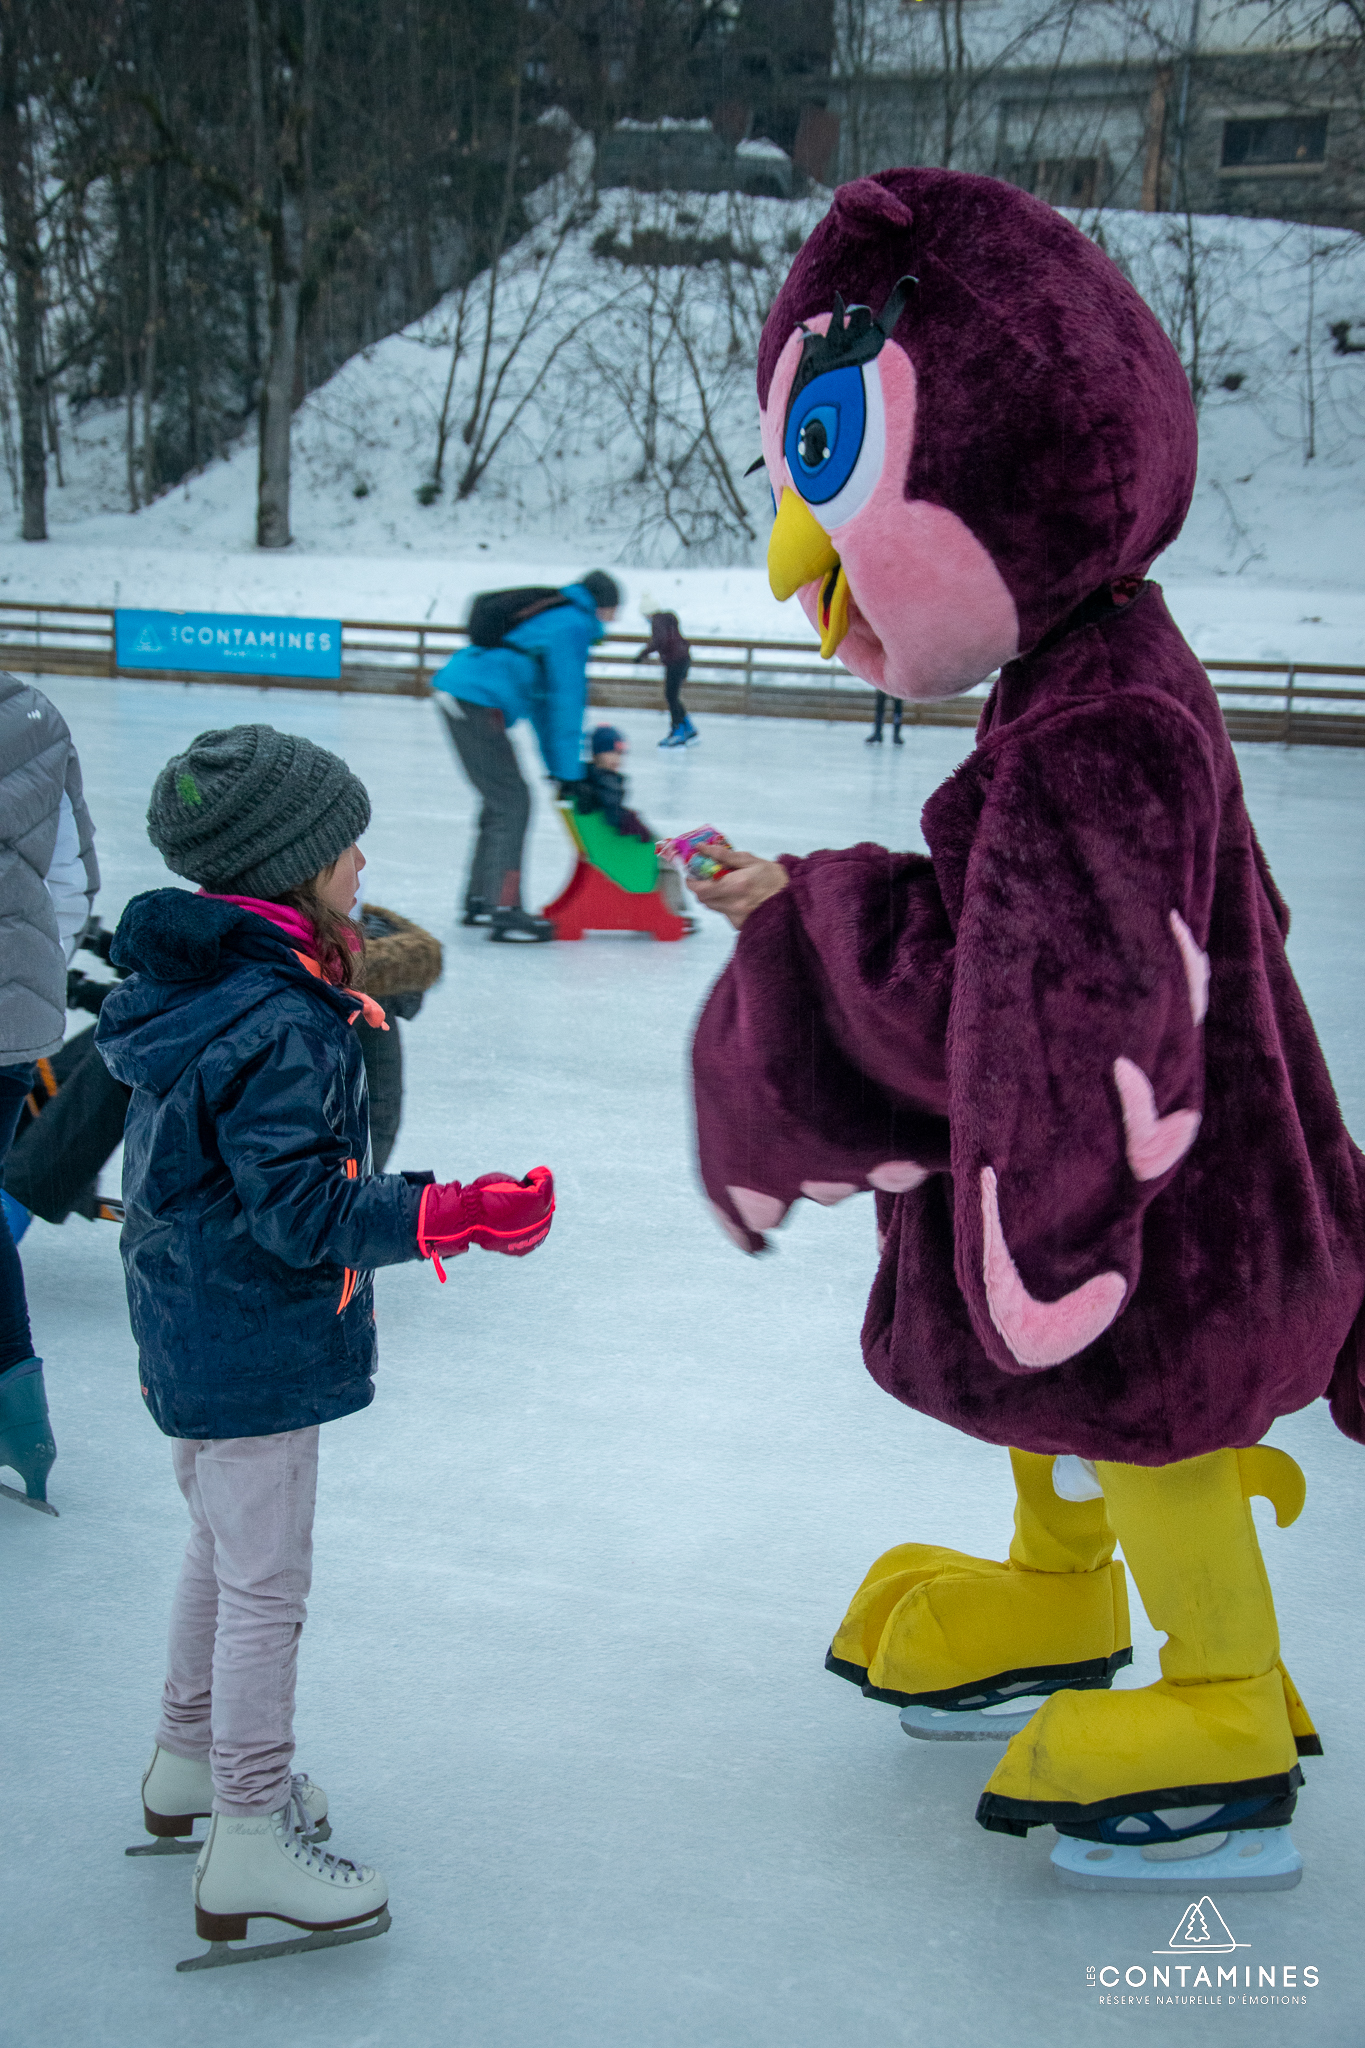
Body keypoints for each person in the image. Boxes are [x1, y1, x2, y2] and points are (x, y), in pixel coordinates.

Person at [687, 170, 1365, 1891]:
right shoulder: (1085, 666)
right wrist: (820, 900)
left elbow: (1064, 1010)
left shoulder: (1099, 716)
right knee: (1077, 1394)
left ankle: (1223, 1689)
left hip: (1168, 1204)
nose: (797, 560)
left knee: (1135, 1386)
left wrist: (806, 929)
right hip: (1192, 1149)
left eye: (830, 475)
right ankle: (1059, 1591)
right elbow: (1033, 943)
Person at [96, 724, 555, 1960]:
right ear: (286, 862)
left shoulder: (206, 985)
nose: (362, 858)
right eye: (343, 840)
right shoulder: (282, 1015)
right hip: (248, 1328)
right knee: (266, 1584)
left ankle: (189, 1761)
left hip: (191, 1316)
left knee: (219, 1547)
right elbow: (301, 1210)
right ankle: (247, 1827)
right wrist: (453, 1211)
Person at [0, 676, 98, 1513]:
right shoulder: (31, 714)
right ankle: (20, 1426)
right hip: (14, 1012)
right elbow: (71, 880)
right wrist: (33, 979)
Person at [433, 572, 621, 941]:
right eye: (614, 611)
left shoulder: (556, 616)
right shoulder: (573, 625)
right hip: (475, 699)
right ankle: (505, 909)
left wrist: (562, 771)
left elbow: (543, 707)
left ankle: (482, 900)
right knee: (513, 802)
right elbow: (565, 701)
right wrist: (568, 774)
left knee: (502, 800)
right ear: (604, 606)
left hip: (464, 693)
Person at [575, 726, 693, 925]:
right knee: (666, 862)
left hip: (605, 844)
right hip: (615, 850)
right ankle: (673, 913)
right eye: (610, 752)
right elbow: (613, 815)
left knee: (662, 851)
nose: (616, 758)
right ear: (596, 753)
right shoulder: (605, 781)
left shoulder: (593, 777)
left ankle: (665, 910)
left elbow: (611, 809)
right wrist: (633, 825)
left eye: (620, 753)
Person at [634, 609, 696, 748]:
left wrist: (642, 654)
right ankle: (688, 728)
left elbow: (659, 641)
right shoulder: (667, 619)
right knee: (672, 696)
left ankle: (678, 731)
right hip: (683, 658)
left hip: (675, 661)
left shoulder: (657, 621)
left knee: (671, 696)